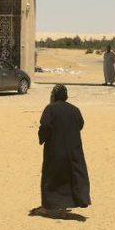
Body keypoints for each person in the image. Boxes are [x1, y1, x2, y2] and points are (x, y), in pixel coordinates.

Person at [30, 84, 90, 219]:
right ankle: (63, 210)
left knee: (50, 178)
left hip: (55, 150)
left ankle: (45, 209)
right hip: (72, 150)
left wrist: (43, 137)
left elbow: (45, 125)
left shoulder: (50, 109)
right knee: (67, 178)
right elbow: (80, 124)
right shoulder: (75, 109)